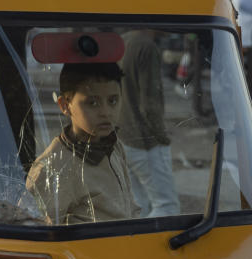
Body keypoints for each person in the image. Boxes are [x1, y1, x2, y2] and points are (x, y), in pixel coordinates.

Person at [26, 62, 138, 225]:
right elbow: (33, 232)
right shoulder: (53, 167)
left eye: (113, 101)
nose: (106, 112)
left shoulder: (113, 146)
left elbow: (129, 209)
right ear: (65, 105)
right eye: (92, 103)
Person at [117, 29, 180, 217]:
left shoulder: (123, 40)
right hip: (144, 140)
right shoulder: (147, 47)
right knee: (167, 207)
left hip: (123, 137)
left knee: (139, 207)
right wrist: (161, 137)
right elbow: (150, 101)